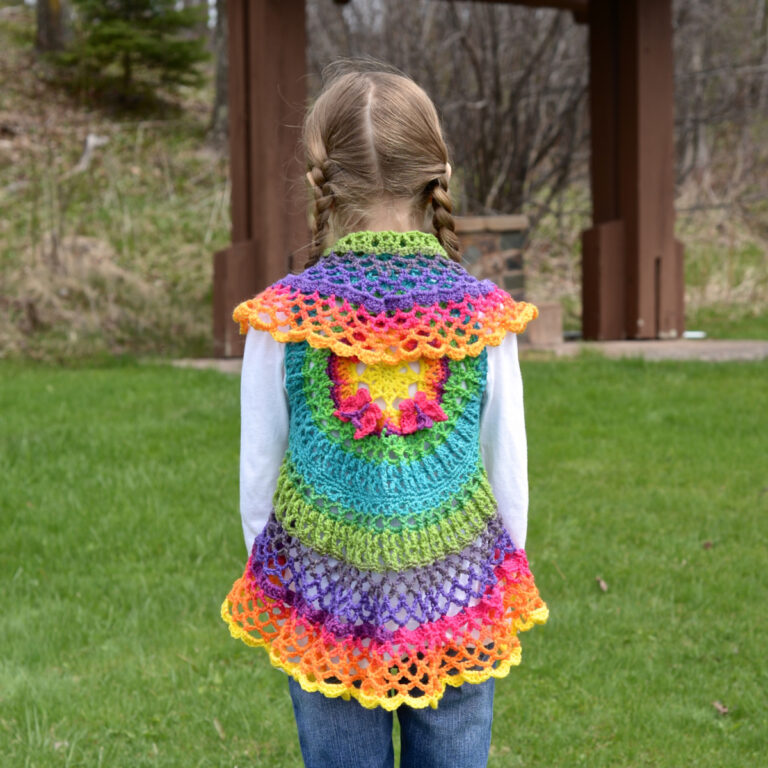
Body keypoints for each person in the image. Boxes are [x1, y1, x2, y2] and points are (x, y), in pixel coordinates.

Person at [221, 65, 548, 768]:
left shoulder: (283, 317)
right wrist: (496, 574)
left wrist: (280, 580)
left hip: (325, 595)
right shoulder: (481, 313)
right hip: (456, 592)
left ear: (322, 179)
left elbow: (259, 475)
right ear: (438, 174)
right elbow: (507, 466)